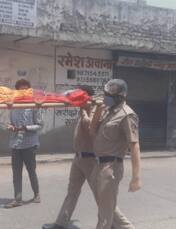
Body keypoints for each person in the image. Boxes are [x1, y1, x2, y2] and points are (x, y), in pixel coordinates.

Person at [43, 85, 97, 229]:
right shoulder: (84, 110)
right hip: (78, 158)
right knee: (72, 193)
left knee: (102, 195)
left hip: (90, 159)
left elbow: (90, 126)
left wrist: (83, 110)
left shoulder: (97, 110)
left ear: (86, 97)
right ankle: (61, 223)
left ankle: (118, 224)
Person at [90, 79, 141, 229]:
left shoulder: (127, 115)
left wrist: (136, 178)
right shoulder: (107, 111)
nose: (106, 97)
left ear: (120, 97)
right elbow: (92, 131)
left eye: (109, 95)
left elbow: (135, 145)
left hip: (110, 167)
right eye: (105, 94)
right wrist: (99, 109)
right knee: (107, 207)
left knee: (104, 216)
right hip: (98, 165)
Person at [4, 79, 43, 208]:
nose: (23, 92)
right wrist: (10, 126)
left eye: (26, 89)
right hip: (15, 144)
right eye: (21, 89)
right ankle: (18, 198)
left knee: (31, 170)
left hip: (29, 144)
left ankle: (36, 193)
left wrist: (26, 128)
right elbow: (10, 123)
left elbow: (39, 125)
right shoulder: (13, 106)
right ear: (17, 91)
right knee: (16, 173)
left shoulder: (33, 106)